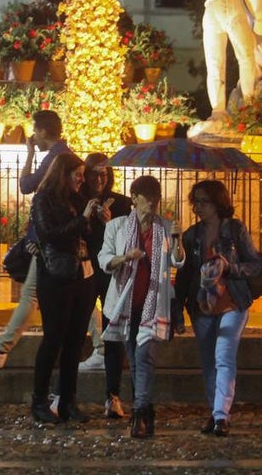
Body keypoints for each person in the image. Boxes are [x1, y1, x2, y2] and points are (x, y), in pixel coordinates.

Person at [0, 109, 71, 368]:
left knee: (35, 294)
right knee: (42, 293)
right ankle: (1, 348)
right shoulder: (62, 155)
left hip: (49, 239)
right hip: (54, 238)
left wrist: (30, 154)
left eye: (35, 131)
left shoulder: (56, 157)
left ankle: (1, 349)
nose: (33, 135)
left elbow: (26, 186)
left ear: (43, 131)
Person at [174, 179, 262, 436]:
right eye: (195, 202)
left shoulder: (235, 230)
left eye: (204, 201)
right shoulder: (191, 235)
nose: (199, 207)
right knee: (208, 362)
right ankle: (216, 412)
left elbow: (255, 265)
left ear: (217, 202)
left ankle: (221, 416)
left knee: (224, 357)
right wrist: (177, 310)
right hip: (202, 306)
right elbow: (184, 277)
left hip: (232, 303)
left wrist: (229, 267)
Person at [99, 175, 184, 437]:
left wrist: (177, 240)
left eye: (156, 197)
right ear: (134, 199)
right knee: (135, 360)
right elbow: (104, 258)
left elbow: (178, 261)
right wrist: (125, 257)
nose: (153, 203)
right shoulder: (117, 226)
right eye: (148, 198)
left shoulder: (165, 227)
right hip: (125, 304)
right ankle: (146, 412)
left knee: (144, 355)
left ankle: (139, 414)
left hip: (153, 303)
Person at [29, 152, 96, 424]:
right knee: (53, 339)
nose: (81, 179)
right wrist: (82, 219)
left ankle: (68, 400)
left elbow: (87, 234)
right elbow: (48, 234)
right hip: (56, 276)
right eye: (77, 174)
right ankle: (39, 401)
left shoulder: (77, 199)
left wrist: (97, 219)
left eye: (82, 175)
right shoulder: (43, 199)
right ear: (63, 174)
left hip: (82, 274)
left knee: (75, 341)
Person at [75, 152, 131, 420]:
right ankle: (65, 395)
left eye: (104, 174)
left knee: (113, 332)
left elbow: (128, 243)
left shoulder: (121, 204)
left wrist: (110, 224)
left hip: (110, 272)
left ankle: (113, 396)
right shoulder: (77, 201)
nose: (100, 179)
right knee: (75, 329)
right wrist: (86, 217)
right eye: (95, 174)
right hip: (84, 270)